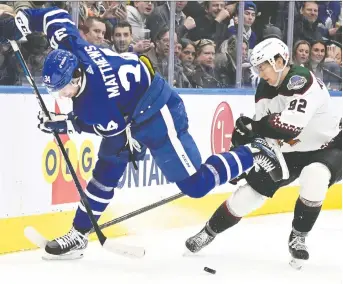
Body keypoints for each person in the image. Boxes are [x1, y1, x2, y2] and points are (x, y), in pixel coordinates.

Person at [0, 7, 284, 260]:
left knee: (195, 186)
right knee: (105, 174)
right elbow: (54, 16)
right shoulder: (73, 48)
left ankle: (253, 152)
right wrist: (23, 19)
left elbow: (101, 126)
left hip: (157, 110)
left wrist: (61, 124)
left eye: (63, 88)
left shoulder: (94, 102)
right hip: (126, 110)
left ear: (76, 76)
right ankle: (78, 234)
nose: (61, 94)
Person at [185, 38, 342, 270]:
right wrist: (243, 158)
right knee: (249, 194)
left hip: (328, 146)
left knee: (315, 176)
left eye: (263, 66)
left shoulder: (301, 80)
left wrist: (252, 128)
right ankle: (209, 231)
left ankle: (298, 236)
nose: (261, 73)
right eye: (258, 68)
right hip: (290, 150)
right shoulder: (265, 89)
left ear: (280, 61)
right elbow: (264, 132)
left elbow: (290, 125)